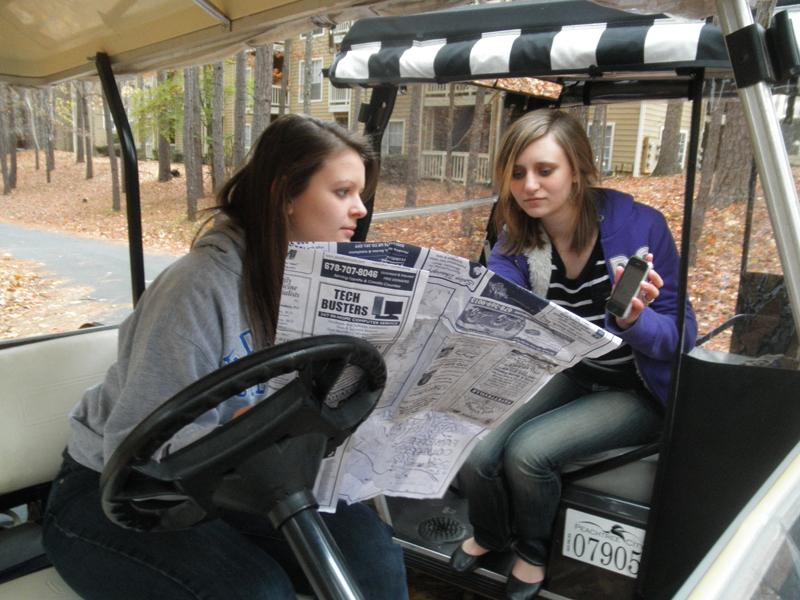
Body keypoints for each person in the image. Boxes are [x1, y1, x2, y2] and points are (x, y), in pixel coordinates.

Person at [42, 114, 408, 600]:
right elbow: (138, 442)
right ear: (285, 195)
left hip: (238, 481)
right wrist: (250, 428)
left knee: (369, 550)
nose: (360, 209)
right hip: (118, 495)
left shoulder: (311, 282)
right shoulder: (197, 286)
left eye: (359, 194)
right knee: (256, 590)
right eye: (342, 192)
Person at [449, 109, 697, 600]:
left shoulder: (640, 228)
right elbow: (505, 308)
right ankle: (493, 533)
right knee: (477, 447)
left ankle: (533, 550)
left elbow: (680, 337)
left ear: (579, 171)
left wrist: (633, 322)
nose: (529, 186)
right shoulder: (516, 237)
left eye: (545, 170)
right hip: (570, 370)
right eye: (517, 173)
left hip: (637, 385)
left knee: (529, 453)